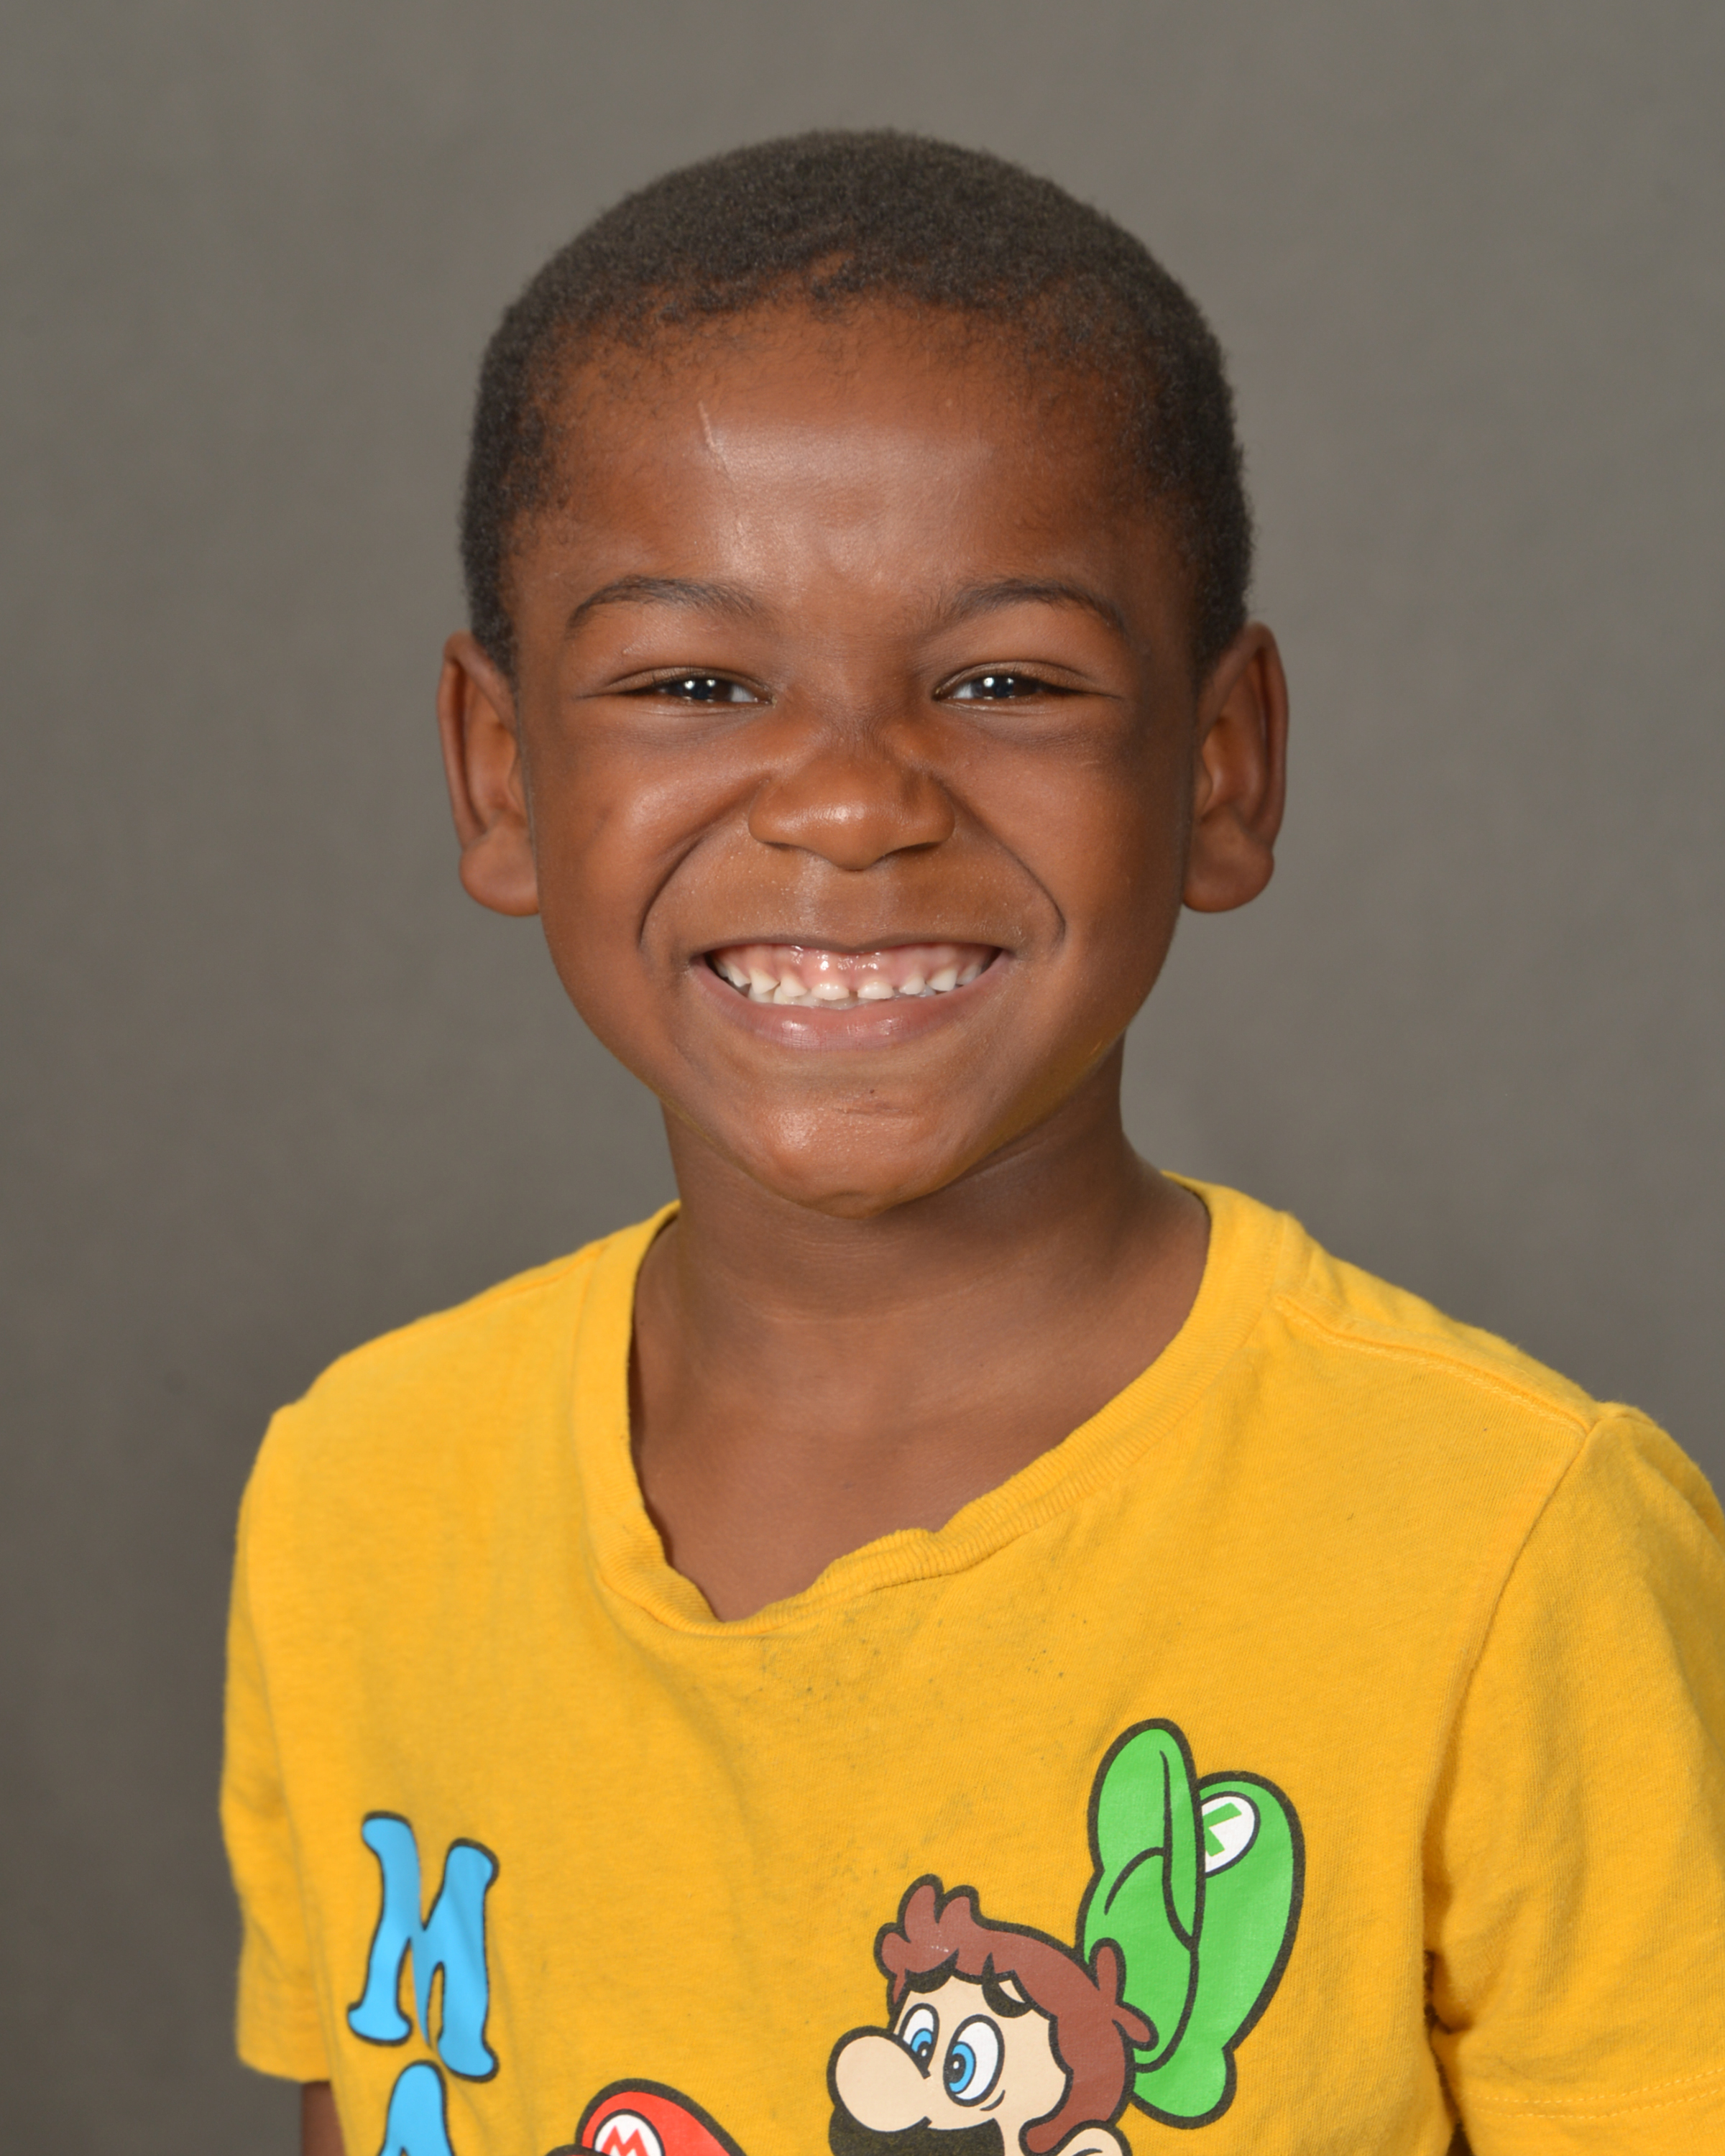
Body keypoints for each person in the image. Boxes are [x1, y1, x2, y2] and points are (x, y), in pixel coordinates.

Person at [221, 134, 1725, 2156]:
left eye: (1005, 680)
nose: (851, 802)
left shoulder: (1512, 1543)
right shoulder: (358, 1500)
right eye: (693, 682)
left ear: (1222, 763)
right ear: (502, 773)